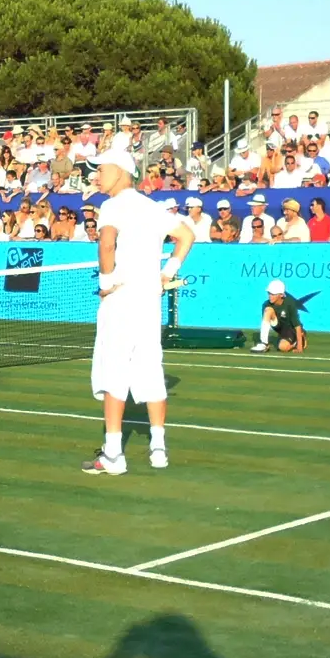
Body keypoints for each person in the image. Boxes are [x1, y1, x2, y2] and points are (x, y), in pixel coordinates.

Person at [83, 148, 195, 476]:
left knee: (113, 373)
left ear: (120, 170)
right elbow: (186, 236)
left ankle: (114, 454)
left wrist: (106, 282)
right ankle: (158, 448)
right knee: (151, 369)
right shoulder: (152, 207)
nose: (97, 175)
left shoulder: (112, 206)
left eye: (101, 169)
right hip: (148, 301)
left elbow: (106, 244)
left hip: (121, 299)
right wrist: (167, 272)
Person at [252, 279, 306, 354]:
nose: (270, 296)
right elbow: (268, 322)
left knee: (282, 347)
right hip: (281, 330)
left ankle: (298, 340)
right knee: (268, 310)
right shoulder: (266, 305)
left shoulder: (290, 303)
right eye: (269, 293)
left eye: (273, 294)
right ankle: (264, 343)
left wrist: (299, 346)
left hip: (291, 329)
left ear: (281, 295)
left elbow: (297, 325)